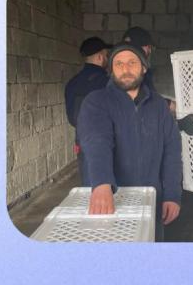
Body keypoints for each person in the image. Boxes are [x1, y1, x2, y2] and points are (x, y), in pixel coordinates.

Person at [78, 42, 182, 242]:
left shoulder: (158, 105)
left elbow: (172, 151)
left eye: (132, 62)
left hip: (151, 199)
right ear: (111, 70)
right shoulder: (97, 101)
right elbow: (97, 142)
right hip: (113, 200)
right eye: (118, 64)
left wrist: (172, 195)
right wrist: (102, 184)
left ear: (144, 68)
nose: (125, 69)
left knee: (151, 247)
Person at [122, 26, 193, 136]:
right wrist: (177, 121)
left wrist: (171, 106)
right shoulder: (132, 73)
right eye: (149, 47)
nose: (150, 51)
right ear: (142, 47)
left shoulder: (124, 70)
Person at [64, 36, 112, 186]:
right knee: (110, 186)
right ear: (100, 57)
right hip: (106, 140)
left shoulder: (72, 83)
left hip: (82, 138)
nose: (107, 59)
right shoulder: (106, 82)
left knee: (90, 185)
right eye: (106, 55)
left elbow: (72, 117)